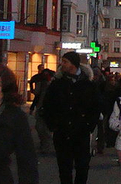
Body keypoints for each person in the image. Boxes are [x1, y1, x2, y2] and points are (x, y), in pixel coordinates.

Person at [42, 52, 100, 184]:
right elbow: (47, 105)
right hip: (62, 133)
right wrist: (53, 125)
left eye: (65, 62)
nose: (62, 64)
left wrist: (88, 126)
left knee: (82, 167)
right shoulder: (57, 84)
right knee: (64, 169)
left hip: (81, 133)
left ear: (73, 64)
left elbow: (96, 107)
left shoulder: (87, 84)